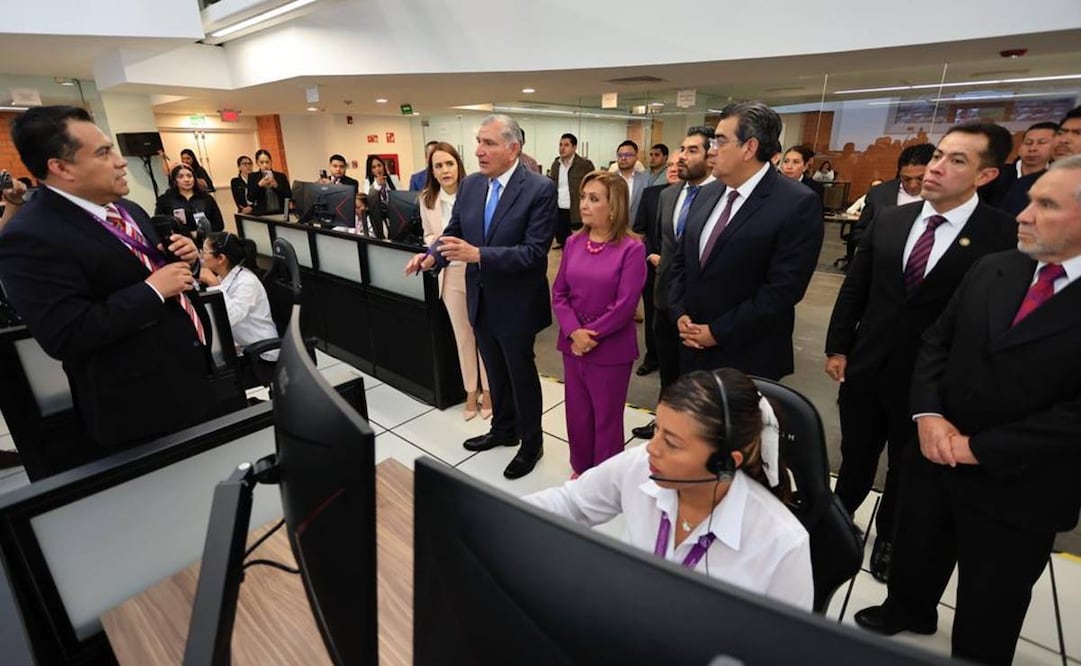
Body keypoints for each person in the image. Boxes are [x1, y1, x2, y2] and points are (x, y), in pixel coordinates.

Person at [854, 156, 1081, 665]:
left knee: (992, 593)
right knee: (919, 547)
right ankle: (908, 609)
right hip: (937, 448)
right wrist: (928, 417)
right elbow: (936, 342)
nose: (1023, 216)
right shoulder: (996, 266)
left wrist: (979, 448)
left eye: (1045, 205)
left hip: (1020, 480)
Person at [824, 122, 1018, 584]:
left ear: (985, 177)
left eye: (957, 161)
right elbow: (857, 289)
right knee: (856, 452)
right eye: (938, 156)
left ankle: (891, 537)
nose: (936, 168)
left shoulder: (1001, 235)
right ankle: (834, 519)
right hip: (868, 366)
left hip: (936, 381)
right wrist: (837, 346)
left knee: (910, 467)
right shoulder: (893, 219)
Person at [0, 106, 211, 471]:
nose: (120, 162)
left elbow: (151, 268)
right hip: (135, 405)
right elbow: (66, 333)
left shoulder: (127, 208)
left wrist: (187, 260)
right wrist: (152, 291)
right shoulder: (30, 236)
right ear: (61, 167)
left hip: (187, 371)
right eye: (103, 153)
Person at [524, 368, 813, 610]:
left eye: (672, 442)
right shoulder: (642, 465)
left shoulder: (782, 544)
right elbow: (571, 503)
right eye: (656, 430)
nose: (652, 448)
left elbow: (783, 649)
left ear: (724, 464)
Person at [405, 114, 556, 480]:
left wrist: (479, 255)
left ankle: (531, 444)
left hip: (517, 302)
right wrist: (432, 257)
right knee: (496, 370)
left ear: (512, 148)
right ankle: (503, 430)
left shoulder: (538, 189)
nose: (478, 150)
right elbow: (453, 232)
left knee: (520, 373)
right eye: (478, 141)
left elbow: (535, 253)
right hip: (481, 297)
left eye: (488, 143)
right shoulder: (472, 186)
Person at [669, 101, 823, 379]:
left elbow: (783, 290)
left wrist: (716, 332)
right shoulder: (707, 193)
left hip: (748, 357)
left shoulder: (796, 203)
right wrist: (679, 311)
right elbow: (682, 260)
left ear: (749, 148)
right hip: (691, 346)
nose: (712, 151)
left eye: (720, 142)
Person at [552, 170, 646, 475]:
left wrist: (590, 335)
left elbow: (626, 304)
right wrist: (573, 332)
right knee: (577, 414)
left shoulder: (632, 249)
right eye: (583, 197)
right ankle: (580, 467)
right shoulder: (573, 242)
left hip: (610, 347)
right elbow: (560, 293)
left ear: (614, 207)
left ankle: (605, 478)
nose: (584, 204)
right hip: (573, 343)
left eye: (594, 199)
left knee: (606, 417)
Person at [633, 126, 717, 441]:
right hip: (665, 298)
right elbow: (666, 244)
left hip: (702, 306)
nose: (682, 156)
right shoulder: (668, 195)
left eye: (692, 150)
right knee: (668, 370)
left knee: (698, 378)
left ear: (712, 156)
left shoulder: (722, 195)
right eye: (682, 148)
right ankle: (664, 423)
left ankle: (694, 433)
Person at [418, 142, 492, 421]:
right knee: (463, 338)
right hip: (449, 275)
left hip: (476, 270)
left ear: (458, 165)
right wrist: (436, 246)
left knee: (483, 335)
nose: (445, 170)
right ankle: (470, 391)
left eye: (449, 163)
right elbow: (427, 236)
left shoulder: (476, 191)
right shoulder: (427, 199)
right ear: (432, 171)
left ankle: (490, 389)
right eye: (438, 165)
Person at [844, 143, 935, 264]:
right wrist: (878, 245)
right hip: (880, 268)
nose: (913, 185)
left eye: (920, 178)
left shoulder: (945, 197)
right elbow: (859, 232)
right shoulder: (879, 194)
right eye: (906, 179)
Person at [198, 231, 279, 361]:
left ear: (221, 259)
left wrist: (213, 284)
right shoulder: (223, 276)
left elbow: (229, 318)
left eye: (205, 252)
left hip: (261, 352)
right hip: (240, 343)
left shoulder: (246, 282)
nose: (201, 256)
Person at [548, 132, 595, 249]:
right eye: (560, 145)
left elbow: (593, 185)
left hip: (576, 210)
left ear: (574, 147)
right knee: (564, 242)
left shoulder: (584, 165)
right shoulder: (556, 165)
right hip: (559, 209)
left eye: (566, 145)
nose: (562, 148)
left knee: (579, 244)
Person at [155, 163, 225, 236]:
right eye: (180, 177)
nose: (186, 180)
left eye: (189, 176)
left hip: (205, 240)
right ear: (174, 180)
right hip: (179, 242)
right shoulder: (165, 200)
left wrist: (199, 233)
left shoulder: (206, 198)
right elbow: (160, 225)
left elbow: (219, 225)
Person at [246, 149, 292, 215]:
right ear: (257, 163)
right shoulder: (252, 177)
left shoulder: (281, 176)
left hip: (280, 212)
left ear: (271, 162)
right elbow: (250, 198)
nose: (265, 165)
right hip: (262, 214)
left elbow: (288, 195)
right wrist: (259, 185)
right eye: (261, 162)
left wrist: (276, 186)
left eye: (267, 162)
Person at [615, 140, 649, 225]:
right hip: (613, 229)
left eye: (628, 155)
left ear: (636, 157)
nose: (623, 158)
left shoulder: (646, 180)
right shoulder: (609, 180)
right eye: (620, 155)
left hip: (637, 230)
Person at [365, 154, 399, 238]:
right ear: (370, 170)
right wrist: (377, 184)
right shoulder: (367, 183)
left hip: (394, 215)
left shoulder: (393, 178)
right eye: (374, 167)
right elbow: (370, 200)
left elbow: (399, 195)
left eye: (379, 165)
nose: (377, 169)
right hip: (379, 219)